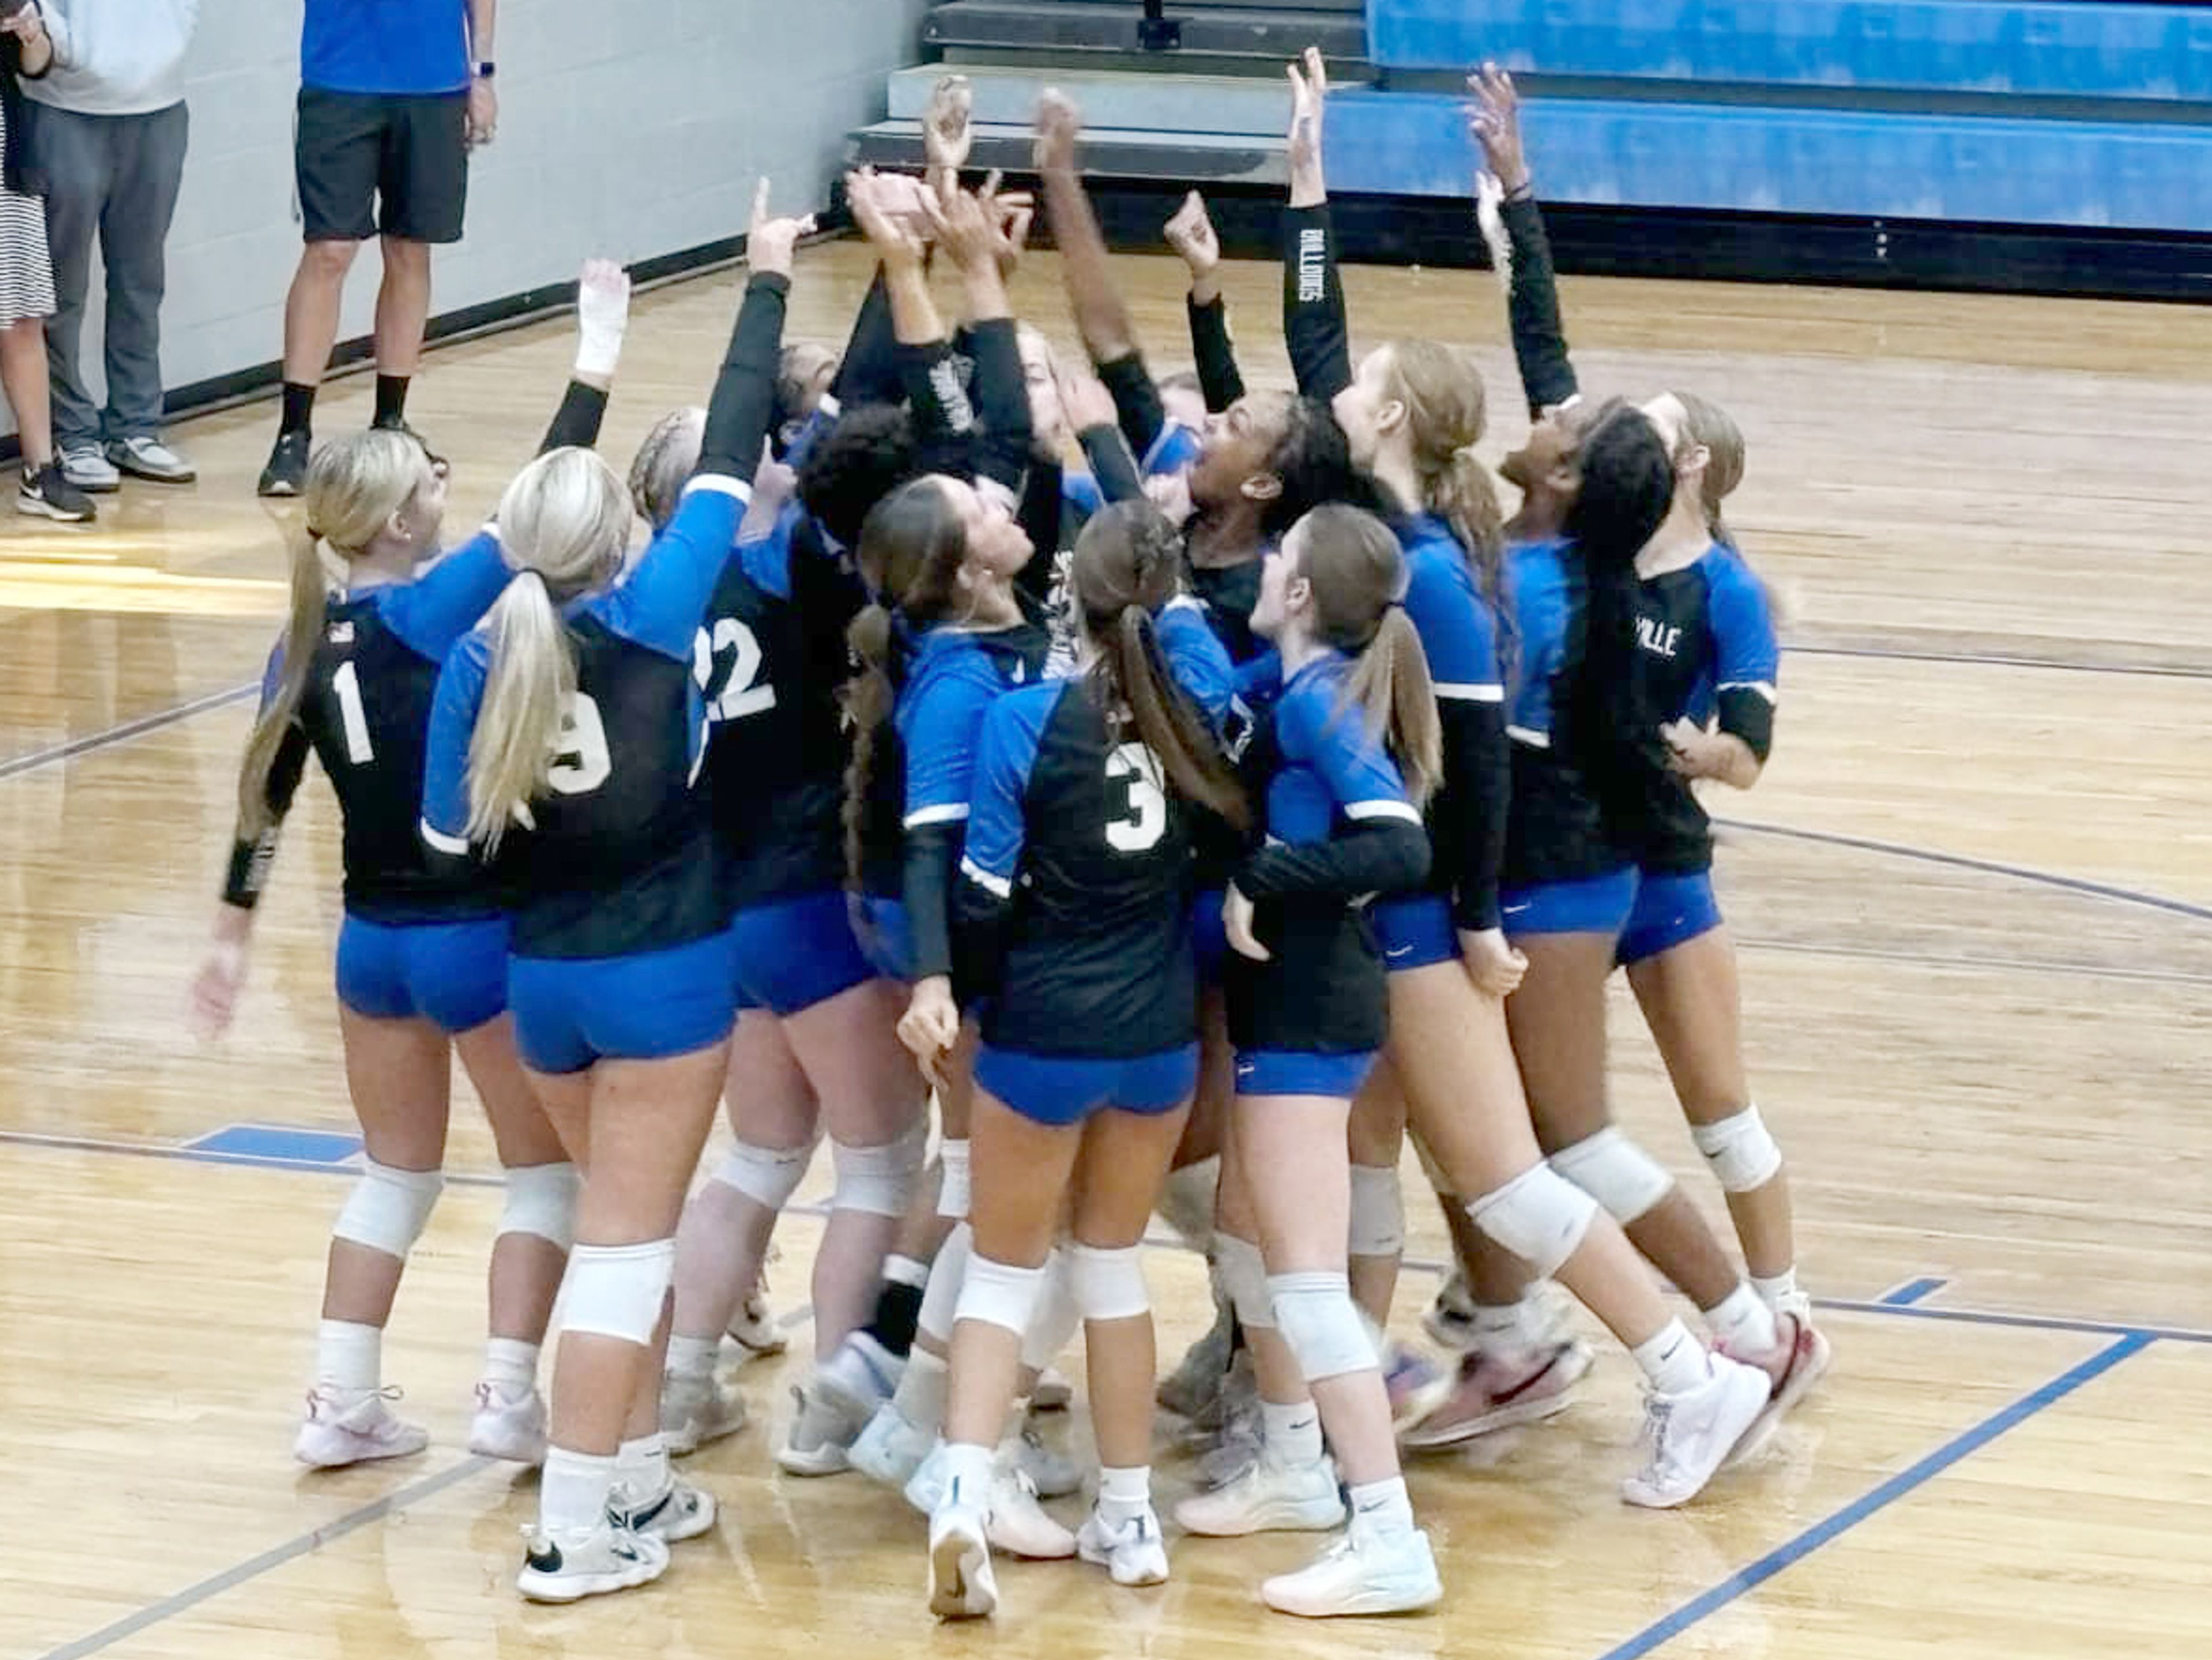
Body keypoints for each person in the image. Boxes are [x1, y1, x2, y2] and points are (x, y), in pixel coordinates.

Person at [1271, 48, 1773, 1506]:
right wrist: (1319, 174)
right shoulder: (1457, 527)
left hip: (1471, 885)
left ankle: (1705, 1348)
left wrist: (1479, 907)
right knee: (1466, 1157)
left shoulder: (1436, 560)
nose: (1552, 420)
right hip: (1436, 886)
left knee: (1521, 1161)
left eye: (1368, 392)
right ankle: (1486, 1352)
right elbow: (1344, 360)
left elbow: (1481, 760)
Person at [419, 183, 811, 1604]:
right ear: (615, 548)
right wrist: (763, 278)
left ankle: (634, 1473)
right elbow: (725, 443)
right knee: (625, 1248)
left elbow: (446, 833)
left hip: (544, 984)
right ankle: (573, 1528)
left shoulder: (479, 655)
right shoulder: (658, 614)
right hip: (665, 978)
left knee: (614, 1225)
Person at [187, 430, 577, 1473]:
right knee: (544, 1178)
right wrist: (595, 357)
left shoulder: (303, 642)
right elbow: (546, 493)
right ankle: (505, 1397)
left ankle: (339, 1404)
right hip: (473, 938)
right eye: (428, 477)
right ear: (401, 523)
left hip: (370, 948)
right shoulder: (430, 609)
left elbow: (263, 796)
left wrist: (230, 937)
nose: (448, 482)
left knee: (396, 1177)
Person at [923, 502, 1245, 1619]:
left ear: (1073, 599)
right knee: (1111, 1269)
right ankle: (1131, 1519)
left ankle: (961, 1494)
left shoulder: (1021, 721)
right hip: (1158, 1042)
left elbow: (979, 897)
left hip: (1041, 1035)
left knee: (1004, 1271)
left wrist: (964, 997)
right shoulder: (1196, 708)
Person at [1178, 503, 1440, 1617]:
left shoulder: (1326, 700)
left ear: (1295, 596)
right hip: (1288, 998)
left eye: (1276, 556)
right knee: (1254, 1245)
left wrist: (1264, 881)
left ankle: (1388, 1534)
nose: (1263, 563)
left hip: (1312, 998)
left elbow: (1397, 839)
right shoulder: (1288, 689)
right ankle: (1292, 1464)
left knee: (1305, 1280)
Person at [258, 0, 498, 497]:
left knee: (411, 251)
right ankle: (294, 432)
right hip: (341, 80)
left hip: (434, 83)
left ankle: (391, 421)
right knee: (331, 250)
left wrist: (482, 73)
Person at [21, 0, 199, 491]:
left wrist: (171, 45)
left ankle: (136, 426)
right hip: (65, 110)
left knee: (142, 283)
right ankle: (73, 434)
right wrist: (67, 49)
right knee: (61, 288)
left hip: (161, 107)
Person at [1, 5, 93, 521]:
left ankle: (41, 471)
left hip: (5, 152)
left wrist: (30, 31)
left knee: (21, 318)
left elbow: (33, 65)